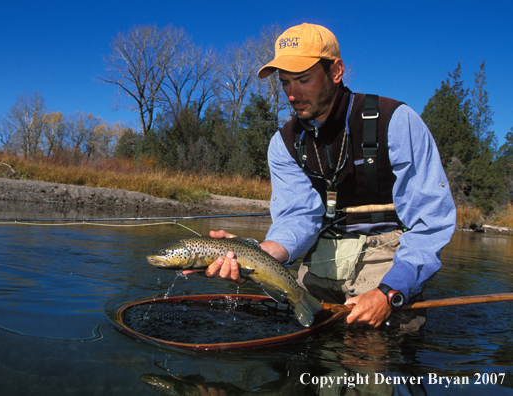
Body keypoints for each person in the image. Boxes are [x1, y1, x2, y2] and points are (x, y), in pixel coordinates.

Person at [186, 23, 456, 330]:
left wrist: (390, 291)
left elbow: (431, 221)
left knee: (373, 357)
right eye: (285, 82)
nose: (292, 94)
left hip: (388, 260)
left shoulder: (394, 122)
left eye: (303, 79)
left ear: (336, 71)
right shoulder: (284, 143)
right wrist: (261, 253)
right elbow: (298, 218)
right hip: (318, 255)